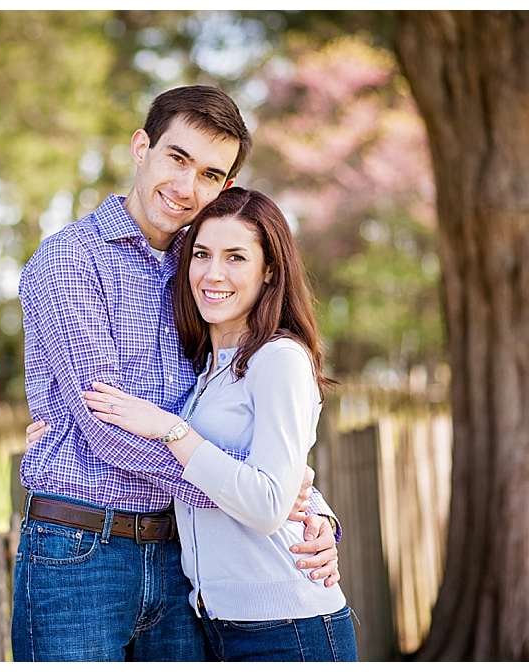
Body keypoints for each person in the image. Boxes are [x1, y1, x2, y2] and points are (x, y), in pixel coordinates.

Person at [14, 85, 340, 662]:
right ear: (142, 147)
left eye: (211, 174)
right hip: (83, 551)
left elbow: (250, 421)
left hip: (182, 563)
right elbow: (106, 428)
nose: (188, 188)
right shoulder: (72, 260)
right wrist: (263, 500)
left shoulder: (207, 271)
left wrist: (310, 511)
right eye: (177, 158)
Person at [80, 187, 359, 661]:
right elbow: (272, 474)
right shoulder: (207, 368)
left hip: (287, 629)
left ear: (269, 270)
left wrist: (174, 432)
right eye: (202, 255)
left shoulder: (278, 359)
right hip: (217, 626)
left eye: (236, 257)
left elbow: (268, 504)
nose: (213, 274)